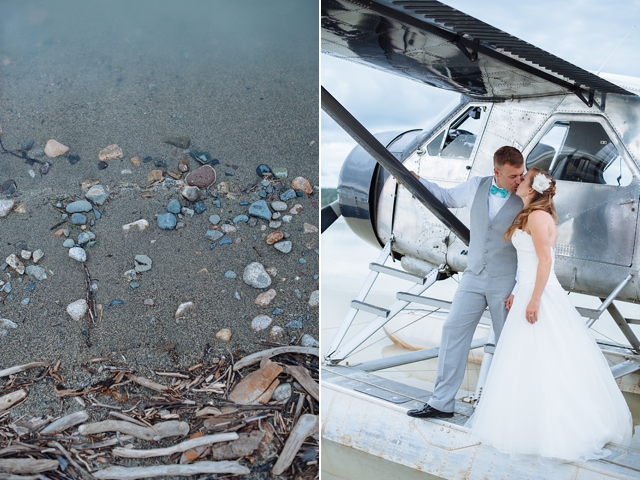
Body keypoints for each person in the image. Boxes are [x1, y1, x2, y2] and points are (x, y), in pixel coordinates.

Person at [469, 168, 632, 461]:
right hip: (529, 291)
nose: (518, 182)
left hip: (541, 295)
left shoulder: (537, 217)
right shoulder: (529, 214)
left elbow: (546, 261)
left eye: (524, 179)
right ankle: (526, 422)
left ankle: (556, 428)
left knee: (546, 358)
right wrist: (519, 291)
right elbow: (527, 262)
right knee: (525, 360)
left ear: (531, 189)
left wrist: (534, 299)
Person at [407, 145, 524, 419]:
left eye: (521, 174)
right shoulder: (476, 186)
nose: (518, 180)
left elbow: (534, 248)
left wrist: (520, 289)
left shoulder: (527, 196)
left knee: (512, 343)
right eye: (512, 176)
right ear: (496, 172)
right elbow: (446, 197)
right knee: (452, 331)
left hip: (507, 283)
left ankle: (514, 412)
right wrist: (417, 181)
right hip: (473, 277)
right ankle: (441, 403)